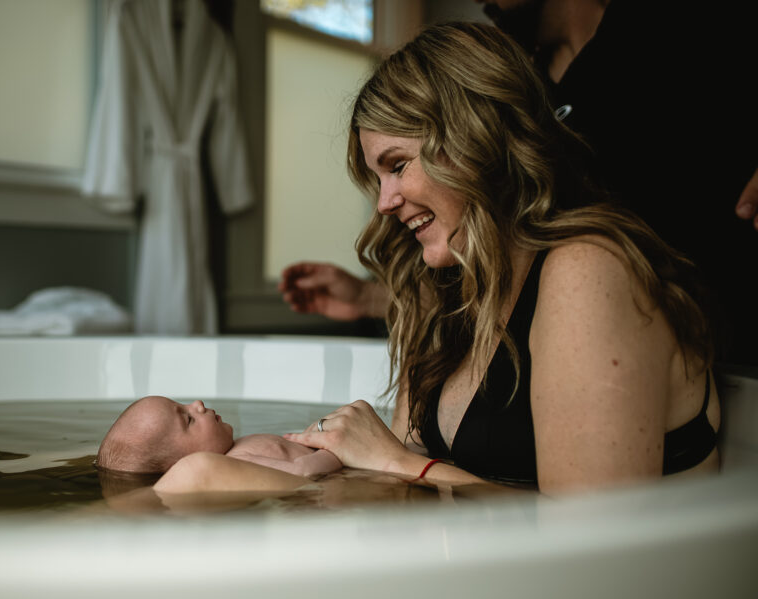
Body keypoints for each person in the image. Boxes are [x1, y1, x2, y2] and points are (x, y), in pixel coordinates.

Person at [280, 22, 720, 495]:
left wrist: (394, 460)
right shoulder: (448, 294)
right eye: (378, 178)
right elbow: (402, 492)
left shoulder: (589, 272)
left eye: (398, 166)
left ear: (477, 139)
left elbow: (593, 549)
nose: (385, 202)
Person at [281, 0, 758, 366]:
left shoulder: (695, 27)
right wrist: (369, 298)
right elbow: (506, 276)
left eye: (398, 166)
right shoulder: (527, 86)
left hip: (718, 346)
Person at [96, 396, 343, 487]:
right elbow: (303, 472)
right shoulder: (239, 462)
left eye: (184, 405)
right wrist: (335, 448)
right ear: (182, 463)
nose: (197, 405)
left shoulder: (239, 448)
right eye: (189, 420)